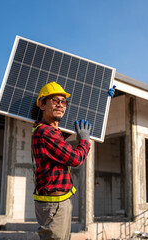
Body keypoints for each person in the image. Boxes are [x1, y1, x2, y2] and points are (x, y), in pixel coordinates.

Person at [31, 81, 115, 240]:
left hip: (58, 202)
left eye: (64, 102)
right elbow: (75, 158)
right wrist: (84, 141)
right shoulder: (45, 132)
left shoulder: (51, 131)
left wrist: (103, 100)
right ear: (42, 104)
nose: (61, 105)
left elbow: (74, 127)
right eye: (55, 101)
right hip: (53, 204)